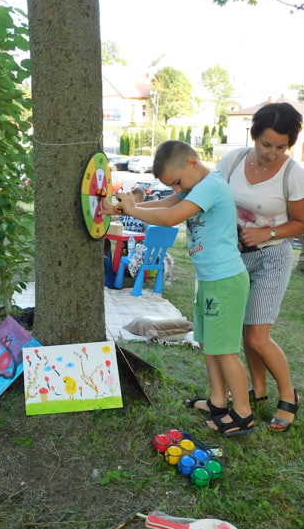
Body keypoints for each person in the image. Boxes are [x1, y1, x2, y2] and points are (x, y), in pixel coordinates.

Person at [103, 140, 256, 438]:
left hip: (225, 281)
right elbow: (164, 204)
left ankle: (243, 414)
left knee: (224, 350)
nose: (177, 189)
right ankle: (217, 401)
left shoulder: (211, 185)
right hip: (211, 279)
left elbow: (172, 217)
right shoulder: (194, 187)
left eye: (177, 182)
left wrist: (132, 208)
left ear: (192, 163)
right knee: (209, 344)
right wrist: (122, 208)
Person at [215, 101, 304, 433]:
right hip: (234, 258)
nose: (272, 153)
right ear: (254, 136)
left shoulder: (293, 174)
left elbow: (303, 223)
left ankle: (289, 395)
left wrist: (266, 232)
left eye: (281, 147)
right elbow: (212, 197)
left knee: (258, 335)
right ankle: (259, 390)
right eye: (266, 144)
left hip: (271, 258)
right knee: (243, 329)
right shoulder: (234, 160)